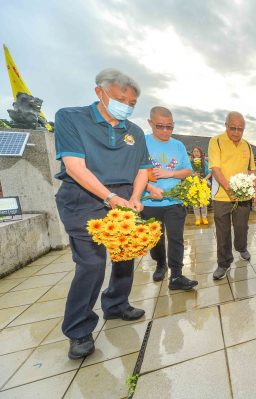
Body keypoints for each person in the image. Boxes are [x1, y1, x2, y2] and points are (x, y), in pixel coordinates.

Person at [54, 69, 153, 359]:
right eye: (122, 99)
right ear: (100, 93)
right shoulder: (70, 117)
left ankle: (116, 303)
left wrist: (135, 197)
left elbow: (143, 169)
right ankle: (79, 329)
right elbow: (74, 166)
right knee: (91, 265)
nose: (127, 106)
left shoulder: (133, 132)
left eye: (132, 103)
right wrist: (109, 198)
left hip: (123, 196)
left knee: (125, 255)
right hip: (84, 196)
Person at [141, 107, 198, 291]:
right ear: (150, 123)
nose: (165, 131)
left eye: (169, 127)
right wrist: (149, 187)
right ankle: (160, 263)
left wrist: (169, 173)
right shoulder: (142, 143)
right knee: (155, 239)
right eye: (160, 126)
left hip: (174, 201)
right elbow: (133, 170)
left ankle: (176, 275)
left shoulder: (178, 146)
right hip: (149, 201)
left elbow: (188, 171)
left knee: (176, 238)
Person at [209, 111, 256, 280]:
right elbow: (215, 169)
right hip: (222, 195)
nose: (237, 132)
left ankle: (242, 247)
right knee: (223, 231)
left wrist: (255, 190)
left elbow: (251, 170)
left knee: (242, 226)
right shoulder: (216, 141)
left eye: (240, 129)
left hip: (243, 196)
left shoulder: (247, 145)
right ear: (226, 125)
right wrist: (229, 189)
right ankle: (224, 263)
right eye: (233, 128)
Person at [191, 146, 212, 225]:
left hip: (203, 183)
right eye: (194, 151)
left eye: (197, 151)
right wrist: (193, 174)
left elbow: (210, 172)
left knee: (203, 202)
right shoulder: (190, 163)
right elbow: (188, 172)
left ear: (200, 153)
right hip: (194, 184)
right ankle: (197, 218)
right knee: (195, 202)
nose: (196, 153)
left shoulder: (205, 162)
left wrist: (205, 179)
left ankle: (204, 217)